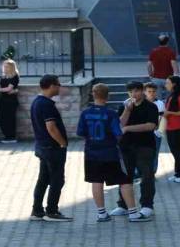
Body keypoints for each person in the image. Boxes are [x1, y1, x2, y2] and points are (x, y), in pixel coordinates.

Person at [77, 83, 130, 223]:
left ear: (93, 95)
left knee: (96, 181)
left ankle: (101, 213)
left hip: (91, 152)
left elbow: (81, 133)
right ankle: (133, 211)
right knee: (124, 180)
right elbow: (118, 133)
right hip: (109, 152)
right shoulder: (110, 113)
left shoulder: (85, 113)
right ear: (108, 96)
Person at [30, 74, 71, 222]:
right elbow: (51, 127)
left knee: (43, 179)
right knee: (57, 180)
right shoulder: (46, 104)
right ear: (52, 86)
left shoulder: (37, 101)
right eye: (58, 84)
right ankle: (52, 211)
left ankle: (37, 211)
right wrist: (62, 143)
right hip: (52, 148)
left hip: (42, 146)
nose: (60, 87)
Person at [117, 81, 159, 222]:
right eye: (130, 92)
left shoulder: (151, 106)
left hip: (145, 146)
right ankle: (123, 205)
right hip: (126, 146)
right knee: (125, 176)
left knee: (146, 175)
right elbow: (119, 124)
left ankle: (147, 205)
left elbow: (151, 126)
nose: (133, 94)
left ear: (142, 91)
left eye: (136, 91)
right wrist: (127, 110)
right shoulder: (124, 106)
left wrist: (129, 128)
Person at [144, 82, 166, 175]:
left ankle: (152, 173)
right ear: (145, 92)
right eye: (149, 91)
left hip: (156, 133)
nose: (152, 93)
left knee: (155, 153)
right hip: (143, 132)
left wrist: (160, 131)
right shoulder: (141, 103)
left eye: (153, 91)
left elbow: (163, 118)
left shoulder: (160, 103)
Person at [0, 59, 20, 143]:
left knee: (10, 119)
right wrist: (3, 89)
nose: (5, 68)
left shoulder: (14, 76)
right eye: (4, 66)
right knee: (2, 118)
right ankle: (6, 136)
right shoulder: (3, 76)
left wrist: (2, 89)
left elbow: (9, 89)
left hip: (11, 101)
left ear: (11, 67)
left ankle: (11, 137)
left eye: (7, 66)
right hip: (3, 99)